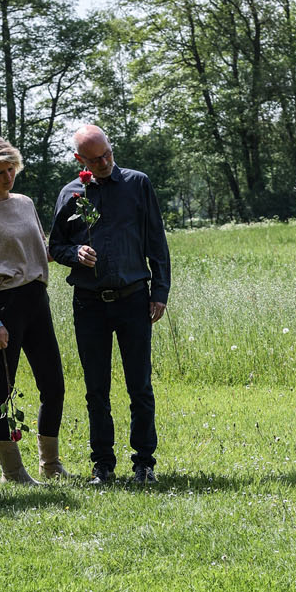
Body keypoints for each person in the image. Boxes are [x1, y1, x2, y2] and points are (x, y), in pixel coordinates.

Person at [48, 124, 170, 485]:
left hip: (134, 298)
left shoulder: (137, 183)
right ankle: (102, 465)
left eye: (107, 155)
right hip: (90, 304)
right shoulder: (71, 194)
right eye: (94, 159)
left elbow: (156, 240)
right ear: (79, 160)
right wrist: (74, 252)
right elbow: (55, 246)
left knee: (139, 385)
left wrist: (160, 292)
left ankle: (144, 463)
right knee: (96, 388)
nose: (103, 163)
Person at [0, 136, 68, 485]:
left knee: (53, 385)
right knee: (2, 390)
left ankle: (50, 464)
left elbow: (42, 249)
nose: (8, 177)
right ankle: (12, 471)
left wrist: (76, 242)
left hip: (37, 299)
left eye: (11, 169)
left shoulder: (25, 203)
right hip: (6, 306)